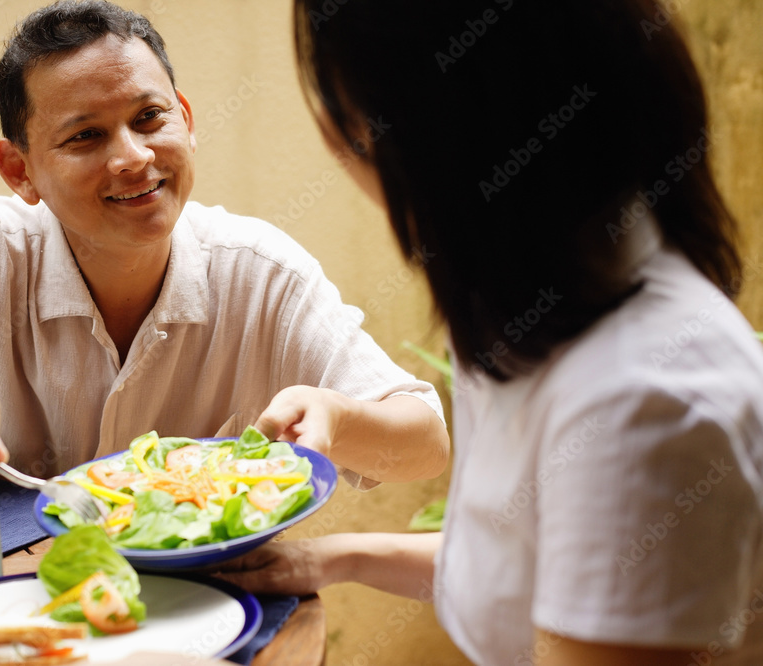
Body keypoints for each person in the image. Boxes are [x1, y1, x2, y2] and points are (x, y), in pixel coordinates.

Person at [211, 1, 763, 664]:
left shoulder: (643, 402)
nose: (334, 136)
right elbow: (529, 566)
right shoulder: (534, 307)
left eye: (345, 111)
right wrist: (333, 558)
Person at [0, 0, 449, 484]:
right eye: (85, 136)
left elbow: (426, 442)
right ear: (20, 170)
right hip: (11, 606)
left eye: (148, 118)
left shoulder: (262, 273)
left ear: (185, 121)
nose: (132, 158)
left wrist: (335, 413)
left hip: (211, 609)